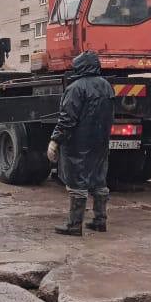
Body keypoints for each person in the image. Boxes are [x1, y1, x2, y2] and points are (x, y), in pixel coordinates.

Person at [46, 50, 114, 236]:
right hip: (100, 141)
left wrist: (55, 140)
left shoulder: (76, 88)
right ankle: (100, 221)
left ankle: (74, 225)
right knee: (99, 180)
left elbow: (67, 118)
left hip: (78, 142)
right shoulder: (106, 86)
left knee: (77, 184)